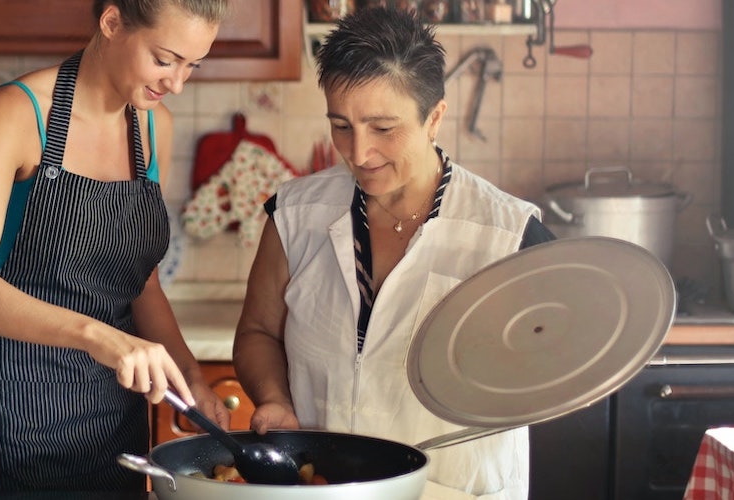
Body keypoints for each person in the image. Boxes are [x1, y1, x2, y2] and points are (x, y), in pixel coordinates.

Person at [232, 7, 556, 499]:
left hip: (454, 491)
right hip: (326, 487)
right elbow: (257, 332)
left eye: (383, 128)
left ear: (435, 118)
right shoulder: (294, 215)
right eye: (341, 125)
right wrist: (274, 398)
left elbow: (559, 364)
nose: (359, 153)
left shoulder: (508, 235)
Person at [0, 0, 231, 494]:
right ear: (112, 23)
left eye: (191, 66)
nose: (176, 83)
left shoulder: (155, 125)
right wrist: (98, 337)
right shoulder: (16, 113)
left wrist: (191, 377)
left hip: (115, 432)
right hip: (9, 420)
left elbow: (142, 284)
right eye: (164, 60)